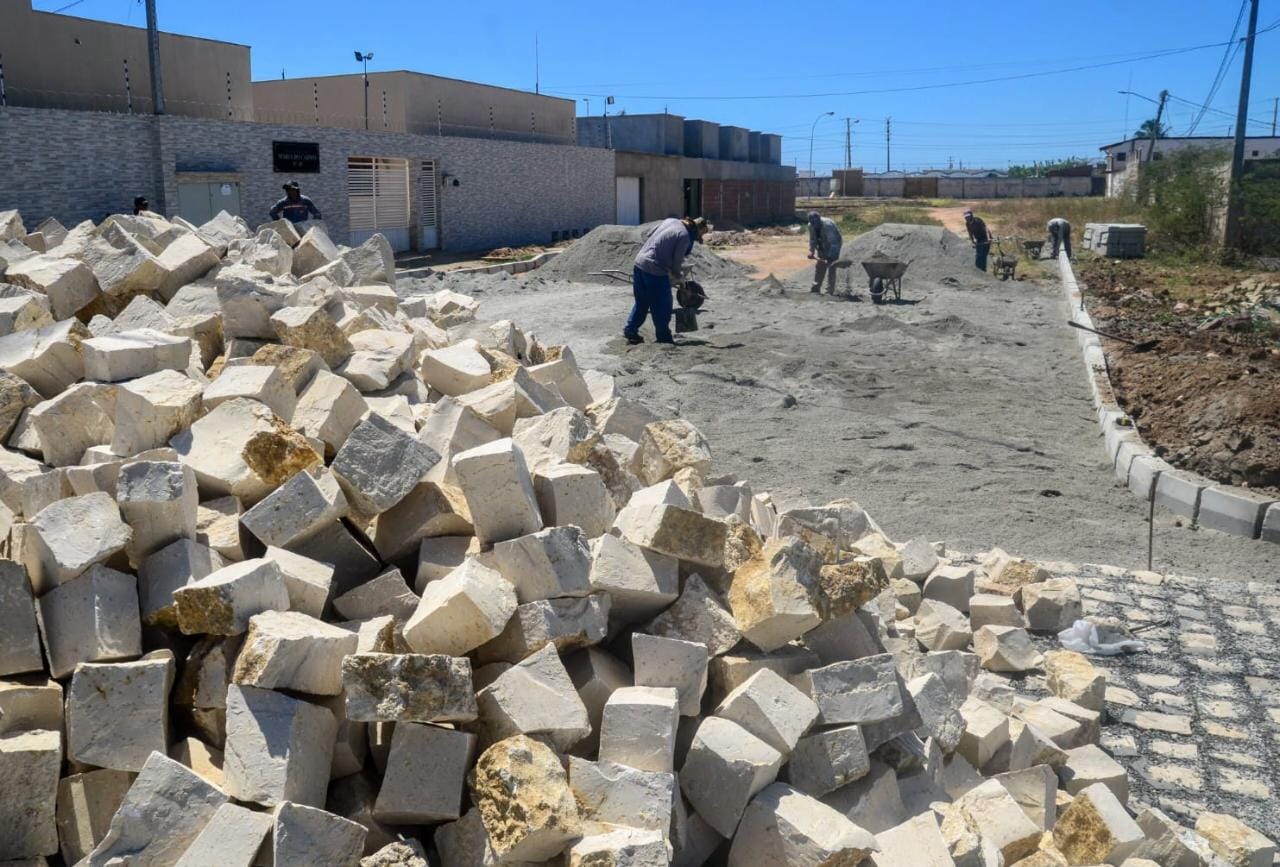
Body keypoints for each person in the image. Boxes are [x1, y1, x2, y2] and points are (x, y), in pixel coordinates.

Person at [624, 216, 710, 345]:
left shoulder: (670, 221)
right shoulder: (684, 236)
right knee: (662, 305)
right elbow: (676, 264)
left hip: (639, 263)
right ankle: (663, 337)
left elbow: (649, 234)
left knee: (642, 302)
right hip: (655, 270)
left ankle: (630, 330)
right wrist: (680, 279)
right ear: (696, 231)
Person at [806, 211, 844, 294]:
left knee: (831, 267)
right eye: (812, 223)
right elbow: (813, 239)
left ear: (819, 219)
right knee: (820, 266)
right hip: (822, 244)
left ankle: (829, 291)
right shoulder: (810, 225)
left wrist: (830, 257)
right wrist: (811, 251)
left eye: (816, 223)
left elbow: (834, 242)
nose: (814, 225)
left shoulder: (828, 225)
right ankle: (815, 288)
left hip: (834, 245)